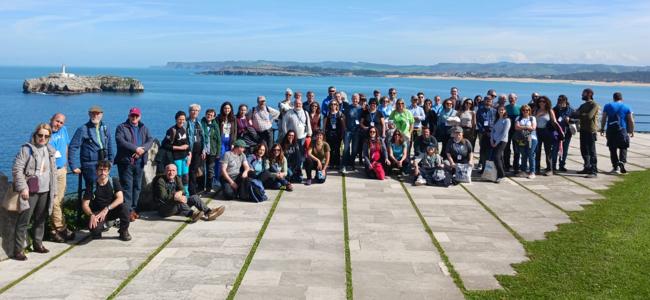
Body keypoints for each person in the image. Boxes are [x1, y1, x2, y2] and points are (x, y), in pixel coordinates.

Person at [11, 124, 57, 260]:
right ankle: (18, 250)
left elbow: (53, 172)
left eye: (46, 136)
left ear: (49, 137)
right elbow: (17, 169)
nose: (43, 138)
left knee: (41, 219)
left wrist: (53, 191)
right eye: (40, 135)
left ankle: (38, 244)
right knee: (24, 221)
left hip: (45, 190)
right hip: (29, 191)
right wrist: (23, 187)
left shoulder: (50, 151)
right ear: (35, 135)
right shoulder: (26, 150)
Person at [114, 107, 154, 222]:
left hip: (139, 162)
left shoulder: (143, 127)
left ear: (139, 117)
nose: (134, 118)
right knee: (127, 187)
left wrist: (142, 150)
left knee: (137, 187)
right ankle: (128, 211)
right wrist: (136, 149)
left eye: (136, 116)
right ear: (129, 116)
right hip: (126, 163)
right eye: (132, 116)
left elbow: (150, 140)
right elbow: (120, 141)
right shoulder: (121, 127)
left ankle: (134, 209)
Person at [155, 164, 225, 222]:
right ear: (165, 171)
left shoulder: (177, 178)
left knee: (194, 197)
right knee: (179, 202)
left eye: (173, 170)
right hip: (164, 209)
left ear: (176, 172)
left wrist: (180, 192)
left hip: (176, 207)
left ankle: (209, 212)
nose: (171, 172)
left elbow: (183, 190)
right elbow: (163, 197)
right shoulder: (161, 181)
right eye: (169, 170)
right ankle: (193, 215)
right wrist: (176, 197)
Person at [81, 160, 131, 241]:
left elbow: (120, 198)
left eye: (105, 170)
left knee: (125, 208)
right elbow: (85, 204)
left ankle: (123, 231)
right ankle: (100, 229)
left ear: (108, 171)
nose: (103, 172)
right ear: (97, 171)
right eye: (100, 170)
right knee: (94, 230)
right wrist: (91, 215)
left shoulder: (114, 181)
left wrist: (107, 209)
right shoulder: (92, 185)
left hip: (111, 210)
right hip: (98, 213)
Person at [69, 105, 113, 191]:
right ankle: (89, 204)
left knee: (105, 189)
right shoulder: (83, 129)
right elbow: (73, 147)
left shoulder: (105, 128)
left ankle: (104, 205)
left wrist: (111, 161)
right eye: (93, 114)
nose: (95, 116)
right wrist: (73, 166)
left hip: (104, 164)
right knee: (92, 190)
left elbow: (110, 146)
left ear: (102, 115)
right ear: (89, 114)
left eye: (97, 113)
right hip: (90, 166)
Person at [48, 113, 74, 242]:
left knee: (60, 200)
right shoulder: (44, 133)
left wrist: (66, 164)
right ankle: (62, 228)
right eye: (56, 121)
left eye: (61, 122)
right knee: (54, 201)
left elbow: (66, 146)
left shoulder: (64, 130)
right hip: (50, 172)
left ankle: (54, 231)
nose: (58, 124)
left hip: (62, 170)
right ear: (51, 120)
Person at [600, 92, 635, 174]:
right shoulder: (627, 106)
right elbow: (631, 120)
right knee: (623, 147)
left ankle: (615, 167)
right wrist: (631, 131)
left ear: (613, 98)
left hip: (611, 129)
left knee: (612, 148)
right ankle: (622, 162)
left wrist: (602, 128)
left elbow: (604, 118)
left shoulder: (607, 106)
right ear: (622, 98)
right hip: (622, 130)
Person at [162, 111, 191, 195]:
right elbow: (165, 145)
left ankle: (186, 194)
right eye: (179, 119)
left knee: (185, 176)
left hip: (185, 157)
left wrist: (189, 154)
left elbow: (187, 143)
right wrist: (179, 148)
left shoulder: (184, 129)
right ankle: (178, 193)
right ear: (176, 119)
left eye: (183, 119)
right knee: (178, 176)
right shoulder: (171, 130)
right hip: (176, 157)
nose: (181, 121)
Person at [574, 88, 600, 178]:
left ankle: (594, 170)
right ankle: (587, 167)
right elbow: (575, 114)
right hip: (583, 130)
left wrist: (581, 114)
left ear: (589, 94)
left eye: (583, 94)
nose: (582, 95)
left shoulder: (594, 105)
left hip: (591, 130)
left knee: (592, 151)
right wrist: (582, 114)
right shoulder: (583, 105)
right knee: (584, 149)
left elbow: (589, 116)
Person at [534, 96, 561, 175]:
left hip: (547, 132)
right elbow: (532, 120)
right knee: (537, 151)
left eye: (543, 101)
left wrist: (557, 133)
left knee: (548, 151)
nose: (541, 103)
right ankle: (537, 169)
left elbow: (555, 122)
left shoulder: (550, 111)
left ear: (547, 102)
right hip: (537, 132)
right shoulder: (536, 110)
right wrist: (538, 115)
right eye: (540, 101)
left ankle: (549, 169)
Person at [186, 104, 207, 196]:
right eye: (192, 110)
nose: (194, 112)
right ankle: (191, 190)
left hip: (199, 151)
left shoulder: (199, 123)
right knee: (190, 171)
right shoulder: (186, 123)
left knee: (196, 170)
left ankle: (195, 189)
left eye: (196, 110)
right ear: (189, 111)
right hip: (190, 151)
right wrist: (188, 151)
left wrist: (204, 150)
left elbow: (204, 137)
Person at [200, 108, 221, 193]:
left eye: (211, 115)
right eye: (208, 114)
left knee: (210, 170)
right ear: (205, 115)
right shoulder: (201, 124)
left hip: (212, 151)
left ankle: (208, 188)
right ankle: (201, 188)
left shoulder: (215, 126)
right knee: (201, 170)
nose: (209, 116)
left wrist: (218, 152)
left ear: (214, 117)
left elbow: (218, 140)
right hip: (203, 151)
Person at [514, 105, 538, 179]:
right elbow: (516, 127)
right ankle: (523, 171)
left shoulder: (532, 118)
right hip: (521, 139)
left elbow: (533, 128)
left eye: (527, 110)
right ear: (521, 111)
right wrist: (527, 127)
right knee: (523, 154)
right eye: (523, 110)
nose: (525, 111)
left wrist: (522, 127)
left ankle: (532, 172)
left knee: (531, 154)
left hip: (531, 138)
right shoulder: (518, 118)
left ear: (529, 111)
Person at [342, 93, 362, 173]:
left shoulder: (361, 109)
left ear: (359, 99)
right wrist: (345, 128)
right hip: (348, 131)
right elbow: (343, 118)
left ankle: (352, 164)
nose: (355, 100)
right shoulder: (347, 107)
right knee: (346, 149)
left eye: (356, 98)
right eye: (354, 98)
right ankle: (344, 165)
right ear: (351, 99)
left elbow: (362, 120)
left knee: (354, 150)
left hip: (356, 131)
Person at [491, 106, 511, 183]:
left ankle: (502, 175)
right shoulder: (496, 119)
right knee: (499, 158)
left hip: (502, 141)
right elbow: (493, 131)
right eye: (500, 110)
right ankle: (500, 173)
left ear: (505, 111)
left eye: (502, 110)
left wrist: (496, 142)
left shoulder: (507, 120)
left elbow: (504, 133)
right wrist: (492, 140)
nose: (501, 111)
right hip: (494, 141)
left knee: (496, 157)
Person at [476, 96, 496, 172]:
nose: (488, 102)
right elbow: (478, 122)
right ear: (484, 101)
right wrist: (484, 131)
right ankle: (483, 168)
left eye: (490, 101)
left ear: (492, 102)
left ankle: (490, 170)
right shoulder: (480, 111)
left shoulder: (494, 111)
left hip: (492, 134)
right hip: (483, 134)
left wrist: (492, 132)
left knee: (490, 152)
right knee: (483, 152)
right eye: (487, 101)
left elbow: (496, 122)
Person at [324, 101, 345, 170]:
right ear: (330, 105)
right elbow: (324, 126)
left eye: (335, 104)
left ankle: (337, 163)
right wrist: (324, 135)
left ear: (337, 105)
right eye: (332, 104)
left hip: (337, 134)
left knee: (337, 149)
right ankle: (331, 163)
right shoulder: (327, 114)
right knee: (330, 149)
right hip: (329, 133)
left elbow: (343, 126)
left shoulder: (340, 114)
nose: (333, 105)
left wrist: (342, 134)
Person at [504, 93, 521, 172]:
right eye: (510, 98)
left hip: (516, 131)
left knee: (516, 149)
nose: (511, 99)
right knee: (506, 148)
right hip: (507, 130)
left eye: (512, 98)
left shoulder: (520, 108)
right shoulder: (505, 108)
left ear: (516, 99)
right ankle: (506, 165)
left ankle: (516, 166)